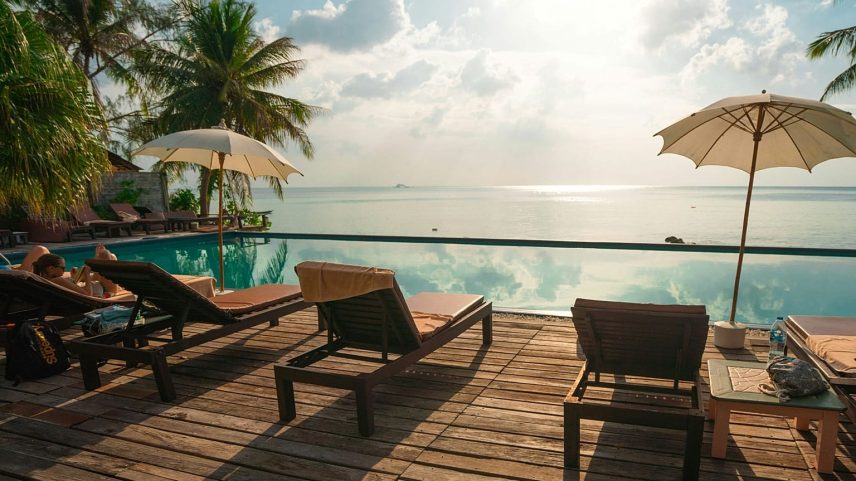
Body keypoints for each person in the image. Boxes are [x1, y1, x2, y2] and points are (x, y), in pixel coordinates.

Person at [27, 244, 120, 297]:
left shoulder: (41, 279)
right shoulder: (58, 280)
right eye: (62, 268)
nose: (63, 271)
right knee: (107, 255)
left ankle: (98, 259)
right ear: (51, 269)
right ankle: (99, 258)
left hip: (97, 288)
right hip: (102, 291)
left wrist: (74, 278)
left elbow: (71, 289)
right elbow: (88, 294)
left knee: (111, 257)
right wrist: (87, 274)